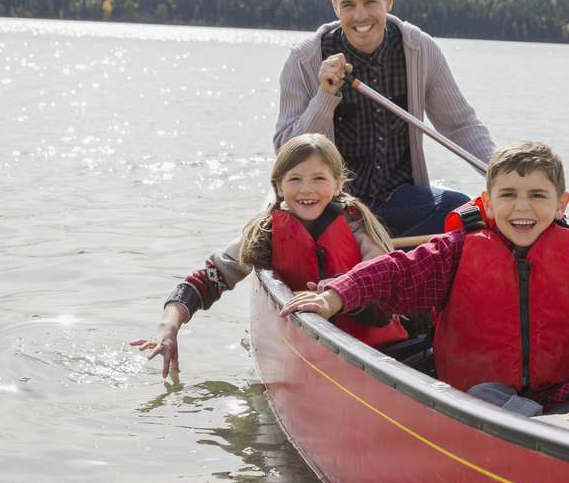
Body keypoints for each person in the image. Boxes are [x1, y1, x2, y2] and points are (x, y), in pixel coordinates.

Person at [280, 142, 569, 413]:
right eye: (508, 195)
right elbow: (393, 271)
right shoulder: (456, 251)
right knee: (488, 396)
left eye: (537, 196)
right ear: (489, 204)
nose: (522, 207)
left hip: (563, 397)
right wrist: (333, 295)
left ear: (561, 205)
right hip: (477, 400)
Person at [132, 133, 404, 376]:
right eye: (295, 179)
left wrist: (334, 294)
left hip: (377, 351)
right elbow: (205, 280)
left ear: (337, 184)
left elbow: (380, 274)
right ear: (279, 186)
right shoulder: (266, 232)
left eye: (318, 178)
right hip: (315, 356)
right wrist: (169, 328)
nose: (306, 189)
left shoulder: (357, 226)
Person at [275, 0, 495, 237]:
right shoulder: (303, 59)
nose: (360, 16)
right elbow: (285, 153)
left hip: (400, 201)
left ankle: (380, 255)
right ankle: (377, 254)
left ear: (388, 1)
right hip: (334, 205)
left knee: (463, 211)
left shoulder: (419, 50)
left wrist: (501, 176)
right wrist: (325, 97)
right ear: (335, 7)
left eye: (370, 2)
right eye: (348, 5)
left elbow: (460, 125)